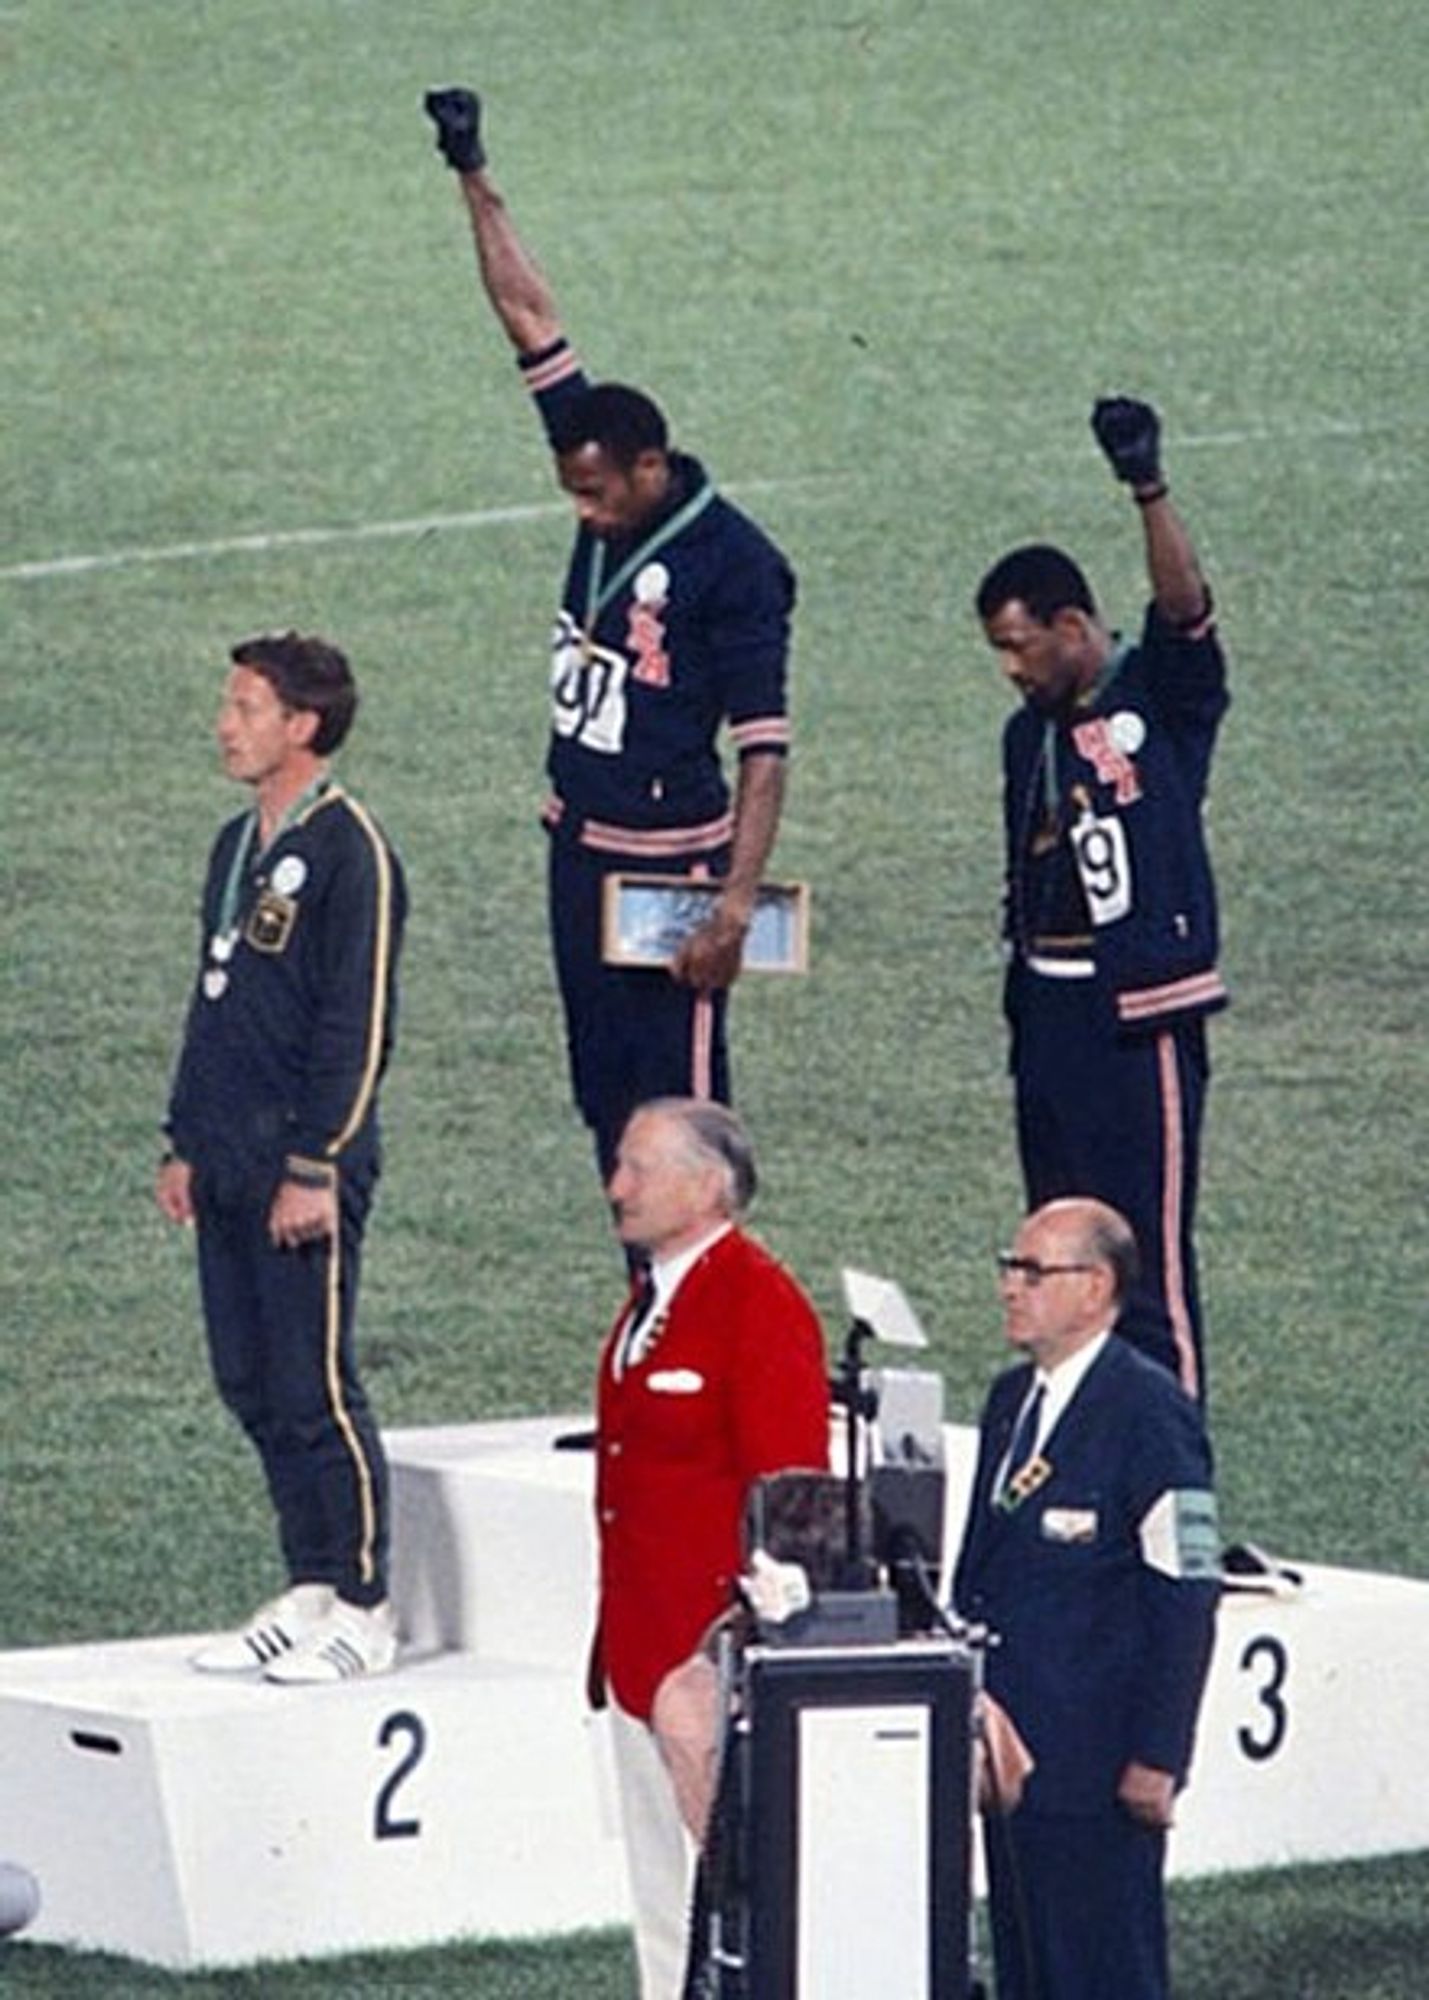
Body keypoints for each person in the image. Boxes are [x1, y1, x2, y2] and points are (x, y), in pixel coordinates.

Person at [423, 87, 796, 1183]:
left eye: (593, 495)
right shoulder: (596, 450)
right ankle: (645, 1316)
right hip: (575, 849)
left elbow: (764, 747)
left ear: (648, 466)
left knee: (677, 1119)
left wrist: (732, 903)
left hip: (669, 870)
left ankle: (706, 1335)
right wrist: (471, 167)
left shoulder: (738, 563)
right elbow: (530, 315)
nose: (580, 511)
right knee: (602, 1108)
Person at [156, 632, 407, 1683]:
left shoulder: (352, 851)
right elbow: (213, 1003)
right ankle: (307, 1583)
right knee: (249, 1378)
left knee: (314, 1383)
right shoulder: (236, 843)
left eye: (247, 705)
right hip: (224, 1157)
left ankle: (363, 1601)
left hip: (305, 1165)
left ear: (302, 725)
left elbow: (360, 1021)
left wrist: (319, 1164)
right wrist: (182, 1139)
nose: (225, 723)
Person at [975, 397, 1229, 1400]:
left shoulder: (1155, 696)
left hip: (1137, 1016)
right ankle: (1087, 1463)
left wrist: (1147, 487)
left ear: (1071, 625)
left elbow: (1185, 611)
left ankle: (1182, 1495)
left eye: (1018, 645)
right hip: (1046, 1013)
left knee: (1146, 1265)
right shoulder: (1023, 733)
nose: (1008, 668)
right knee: (1060, 1251)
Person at [952, 1198, 1220, 2000]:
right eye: (1010, 1267)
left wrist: (1159, 1754)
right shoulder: (1010, 1403)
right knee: (1029, 1969)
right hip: (1011, 1756)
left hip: (1098, 1765)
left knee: (1100, 1972)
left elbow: (1185, 1588)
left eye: (1033, 1271)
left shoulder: (1148, 1412)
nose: (1010, 1287)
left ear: (1097, 1287)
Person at [591, 1098, 830, 1999]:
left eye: (637, 1169)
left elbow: (791, 1494)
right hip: (635, 1656)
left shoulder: (757, 1301)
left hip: (705, 1664)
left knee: (733, 1899)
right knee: (662, 1900)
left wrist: (735, 1644)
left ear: (707, 1185)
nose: (616, 1188)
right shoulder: (653, 1299)